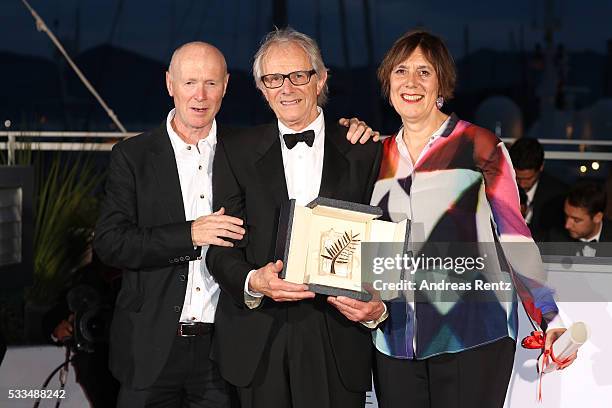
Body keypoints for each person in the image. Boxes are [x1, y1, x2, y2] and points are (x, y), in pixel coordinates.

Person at [94, 41, 376, 408]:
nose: (200, 95)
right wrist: (190, 234)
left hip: (225, 348)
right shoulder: (132, 156)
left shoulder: (241, 145)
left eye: (210, 83)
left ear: (226, 85)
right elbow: (111, 243)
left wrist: (354, 127)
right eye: (190, 82)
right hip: (151, 347)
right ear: (169, 84)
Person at [369, 30, 576, 408]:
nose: (411, 83)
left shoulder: (480, 145)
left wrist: (549, 316)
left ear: (442, 84)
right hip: (394, 337)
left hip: (473, 333)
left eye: (424, 72)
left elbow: (515, 237)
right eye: (401, 71)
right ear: (388, 82)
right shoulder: (375, 155)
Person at [206, 28, 385, 408]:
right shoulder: (234, 150)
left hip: (338, 333)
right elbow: (220, 249)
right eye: (273, 79)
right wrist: (254, 281)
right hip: (259, 338)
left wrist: (378, 301)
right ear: (262, 89)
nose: (286, 88)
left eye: (298, 75)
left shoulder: (364, 149)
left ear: (320, 79)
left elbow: (383, 240)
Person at [42, 255, 121, 408]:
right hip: (105, 367)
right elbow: (55, 316)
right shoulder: (95, 276)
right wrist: (60, 327)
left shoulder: (162, 275)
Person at [509, 137, 567, 241]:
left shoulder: (558, 194)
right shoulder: (499, 188)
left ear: (541, 167)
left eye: (528, 178)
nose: (521, 184)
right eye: (517, 177)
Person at [548, 180, 611, 257]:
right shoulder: (556, 238)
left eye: (576, 220)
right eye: (566, 216)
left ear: (597, 217)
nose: (567, 225)